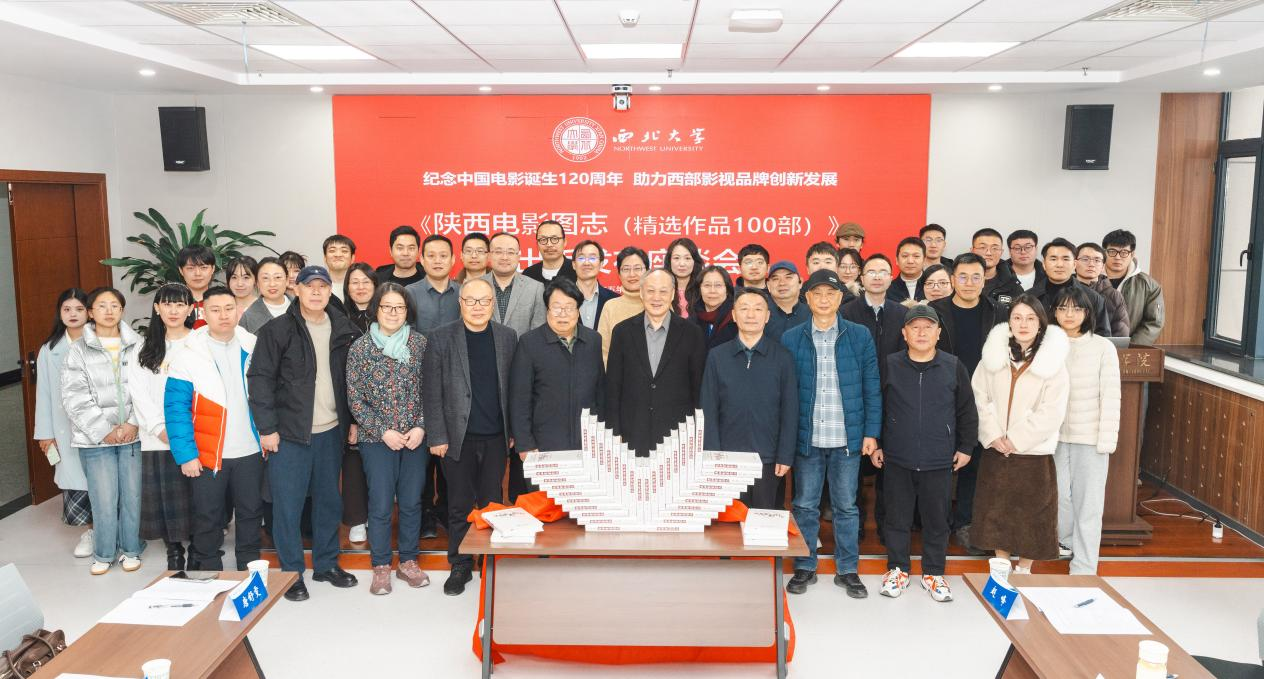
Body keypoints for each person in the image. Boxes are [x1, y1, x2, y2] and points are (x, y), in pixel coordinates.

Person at [248, 265, 360, 601]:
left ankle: (326, 564)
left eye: (322, 286)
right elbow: (260, 380)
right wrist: (267, 428)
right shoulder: (277, 330)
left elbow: (353, 381)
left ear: (330, 291)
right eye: (309, 286)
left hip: (331, 432)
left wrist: (353, 420)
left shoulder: (344, 329)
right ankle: (291, 573)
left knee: (328, 503)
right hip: (289, 435)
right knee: (288, 506)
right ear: (296, 289)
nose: (316, 292)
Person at [781, 270, 880, 599]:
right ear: (807, 298)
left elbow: (872, 387)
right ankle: (805, 565)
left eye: (830, 294)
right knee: (805, 505)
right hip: (808, 438)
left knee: (846, 507)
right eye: (817, 294)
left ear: (840, 298)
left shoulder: (859, 335)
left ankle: (848, 569)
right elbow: (785, 392)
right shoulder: (792, 337)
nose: (824, 300)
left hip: (847, 438)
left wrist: (871, 433)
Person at [873, 305, 977, 603]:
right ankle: (897, 569)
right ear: (904, 333)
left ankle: (933, 572)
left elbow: (967, 410)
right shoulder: (890, 364)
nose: (921, 333)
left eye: (928, 327)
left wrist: (966, 446)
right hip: (897, 457)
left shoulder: (953, 365)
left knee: (937, 520)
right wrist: (877, 442)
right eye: (915, 327)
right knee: (897, 518)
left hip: (939, 459)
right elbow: (877, 406)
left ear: (938, 333)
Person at [422, 278, 518, 596]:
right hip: (456, 438)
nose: (478, 307)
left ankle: (490, 561)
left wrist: (513, 432)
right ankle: (460, 564)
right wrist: (437, 435)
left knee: (492, 503)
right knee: (459, 505)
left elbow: (514, 388)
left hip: (496, 437)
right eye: (471, 301)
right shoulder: (440, 337)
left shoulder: (507, 337)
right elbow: (431, 391)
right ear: (460, 303)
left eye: (484, 301)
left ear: (493, 304)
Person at [164, 287, 263, 572]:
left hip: (250, 450)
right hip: (208, 453)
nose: (223, 315)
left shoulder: (254, 345)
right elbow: (176, 409)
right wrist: (186, 455)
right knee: (208, 516)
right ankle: (209, 571)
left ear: (239, 311)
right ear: (203, 313)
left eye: (229, 308)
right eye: (215, 310)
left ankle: (249, 568)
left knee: (250, 513)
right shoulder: (188, 354)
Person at [970, 294, 1070, 575]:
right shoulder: (992, 358)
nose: (1023, 324)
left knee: (1032, 515)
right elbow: (978, 398)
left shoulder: (1053, 363)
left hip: (1032, 452)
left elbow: (1052, 412)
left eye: (1030, 318)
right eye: (1017, 318)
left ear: (1041, 324)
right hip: (996, 448)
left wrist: (1016, 439)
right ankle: (1001, 566)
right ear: (1009, 322)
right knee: (996, 511)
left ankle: (1024, 569)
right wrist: (993, 435)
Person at [346, 283, 430, 594]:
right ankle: (381, 565)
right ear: (376, 310)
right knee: (380, 504)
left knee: (411, 502)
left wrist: (420, 426)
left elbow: (432, 389)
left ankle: (408, 561)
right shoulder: (361, 348)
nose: (393, 313)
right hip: (376, 439)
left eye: (399, 307)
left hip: (414, 439)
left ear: (408, 312)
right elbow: (355, 398)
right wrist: (383, 431)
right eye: (387, 307)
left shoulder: (420, 344)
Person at [61, 287, 143, 576]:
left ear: (122, 311)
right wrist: (103, 430)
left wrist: (133, 422)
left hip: (133, 435)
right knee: (103, 498)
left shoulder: (138, 344)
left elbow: (146, 388)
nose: (109, 311)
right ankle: (104, 553)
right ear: (91, 312)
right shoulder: (77, 350)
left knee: (132, 496)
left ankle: (131, 549)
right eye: (101, 306)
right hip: (95, 439)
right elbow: (74, 397)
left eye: (115, 306)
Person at [929, 253, 1007, 554]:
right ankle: (936, 523)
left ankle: (966, 523)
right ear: (952, 279)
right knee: (940, 463)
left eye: (976, 276)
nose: (970, 283)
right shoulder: (935, 311)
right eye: (963, 276)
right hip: (942, 395)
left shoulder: (998, 312)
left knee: (975, 464)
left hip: (985, 398)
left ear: (984, 279)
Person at [700, 287, 797, 509]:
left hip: (768, 458)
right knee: (729, 522)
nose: (751, 315)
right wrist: (712, 455)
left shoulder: (782, 357)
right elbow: (708, 408)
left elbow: (790, 410)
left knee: (763, 519)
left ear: (767, 316)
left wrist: (785, 455)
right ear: (734, 315)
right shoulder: (717, 356)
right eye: (744, 309)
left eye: (758, 309)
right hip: (727, 458)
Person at [1052, 286, 1121, 575]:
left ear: (1087, 313)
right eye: (1063, 308)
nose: (1069, 314)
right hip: (1053, 438)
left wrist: (1106, 440)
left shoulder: (1103, 347)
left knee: (1089, 503)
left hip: (1090, 438)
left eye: (1076, 309)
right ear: (1054, 312)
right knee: (1058, 498)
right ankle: (1066, 543)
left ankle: (1084, 566)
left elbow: (1111, 396)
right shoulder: (1047, 345)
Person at [128, 283, 195, 571]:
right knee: (168, 498)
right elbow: (138, 393)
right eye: (167, 304)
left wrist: (184, 432)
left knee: (196, 496)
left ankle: (200, 546)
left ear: (190, 309)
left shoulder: (200, 342)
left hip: (193, 434)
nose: (173, 310)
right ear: (157, 308)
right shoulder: (144, 348)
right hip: (158, 438)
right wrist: (159, 428)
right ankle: (174, 550)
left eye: (180, 304)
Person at [509, 278, 604, 479]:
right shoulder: (529, 343)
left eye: (569, 307)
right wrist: (525, 444)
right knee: (545, 499)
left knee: (583, 497)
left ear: (578, 310)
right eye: (557, 307)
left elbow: (601, 392)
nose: (563, 314)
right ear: (547, 309)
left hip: (587, 445)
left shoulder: (593, 340)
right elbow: (519, 399)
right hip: (543, 446)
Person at [605, 269, 706, 456]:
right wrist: (614, 432)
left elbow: (698, 389)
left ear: (673, 294)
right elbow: (613, 387)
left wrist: (696, 435)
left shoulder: (692, 334)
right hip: (632, 434)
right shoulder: (622, 332)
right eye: (650, 291)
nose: (656, 297)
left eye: (663, 291)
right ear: (641, 293)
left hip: (677, 436)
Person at [34, 288, 94, 558]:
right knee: (77, 480)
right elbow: (44, 394)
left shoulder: (101, 341)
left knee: (104, 481)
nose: (73, 314)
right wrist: (45, 433)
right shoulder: (50, 350)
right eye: (67, 309)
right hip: (65, 427)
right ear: (59, 314)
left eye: (79, 309)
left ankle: (113, 532)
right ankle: (91, 532)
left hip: (99, 426)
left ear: (88, 313)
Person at [842, 254, 907, 381]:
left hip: (893, 383)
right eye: (871, 272)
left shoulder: (902, 313)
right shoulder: (845, 313)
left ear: (891, 278)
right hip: (856, 382)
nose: (877, 277)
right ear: (862, 279)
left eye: (883, 272)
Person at [1030, 238, 1112, 337]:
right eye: (1053, 259)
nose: (1059, 265)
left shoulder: (1092, 298)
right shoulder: (1030, 297)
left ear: (1074, 264)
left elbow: (1103, 336)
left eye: (1066, 259)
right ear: (1044, 264)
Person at [1103, 229, 1165, 345]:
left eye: (1124, 252)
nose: (1118, 257)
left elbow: (1153, 323)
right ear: (1104, 252)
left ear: (1132, 255)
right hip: (1093, 348)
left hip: (1129, 348)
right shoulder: (1091, 279)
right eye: (1112, 251)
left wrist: (1131, 348)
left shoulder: (1149, 285)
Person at [484, 232, 547, 337]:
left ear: (518, 257)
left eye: (510, 252)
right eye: (498, 252)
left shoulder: (535, 288)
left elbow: (539, 331)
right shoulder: (474, 286)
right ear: (489, 256)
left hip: (523, 347)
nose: (504, 257)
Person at [597, 246, 648, 364]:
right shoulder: (610, 307)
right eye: (626, 269)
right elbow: (603, 352)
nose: (632, 274)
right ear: (619, 275)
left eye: (637, 268)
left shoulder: (658, 304)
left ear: (647, 272)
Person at [406, 234, 461, 336]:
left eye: (443, 256)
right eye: (431, 256)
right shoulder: (409, 293)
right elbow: (406, 332)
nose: (437, 261)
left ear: (453, 259)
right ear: (422, 260)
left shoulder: (463, 292)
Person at [1075, 243, 1131, 337]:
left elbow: (1121, 334)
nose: (1091, 264)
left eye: (1097, 260)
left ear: (1102, 266)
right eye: (1085, 259)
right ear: (1074, 263)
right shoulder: (1064, 291)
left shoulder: (1113, 295)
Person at [573, 239, 618, 330]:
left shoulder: (614, 300)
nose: (586, 263)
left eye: (592, 258)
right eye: (581, 258)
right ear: (574, 264)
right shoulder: (563, 297)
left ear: (601, 264)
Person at [239, 257, 291, 334]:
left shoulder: (301, 306)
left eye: (277, 277)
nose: (272, 284)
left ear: (287, 280)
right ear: (257, 283)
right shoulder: (248, 318)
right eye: (265, 278)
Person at [692, 265, 738, 353]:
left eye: (718, 285)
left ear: (727, 290)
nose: (712, 291)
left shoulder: (737, 319)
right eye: (707, 285)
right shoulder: (691, 322)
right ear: (699, 290)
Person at [973, 228, 1022, 307]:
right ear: (972, 250)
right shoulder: (960, 281)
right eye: (982, 247)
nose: (988, 253)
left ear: (1001, 252)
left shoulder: (1012, 284)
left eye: (995, 248)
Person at [767, 260, 810, 340]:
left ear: (800, 282)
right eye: (776, 279)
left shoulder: (813, 315)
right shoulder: (760, 315)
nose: (782, 283)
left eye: (788, 277)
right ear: (768, 286)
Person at [177, 245, 215, 328]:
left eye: (203, 267)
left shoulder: (222, 301)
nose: (197, 273)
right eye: (190, 268)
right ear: (181, 270)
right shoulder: (172, 303)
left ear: (213, 269)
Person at [666, 237, 703, 319]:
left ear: (695, 261)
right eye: (676, 258)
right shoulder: (661, 290)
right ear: (669, 261)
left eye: (687, 258)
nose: (682, 264)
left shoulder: (703, 289)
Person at [886, 237, 926, 303]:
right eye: (905, 256)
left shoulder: (934, 286)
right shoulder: (887, 289)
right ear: (897, 260)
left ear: (924, 260)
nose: (910, 261)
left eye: (916, 256)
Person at [342, 263, 378, 333]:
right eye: (355, 282)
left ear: (375, 286)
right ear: (347, 288)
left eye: (366, 282)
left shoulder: (387, 316)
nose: (361, 287)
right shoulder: (339, 318)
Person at [225, 256, 258, 324]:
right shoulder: (221, 307)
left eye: (246, 277)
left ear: (256, 280)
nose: (240, 284)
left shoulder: (264, 307)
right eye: (234, 277)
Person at [323, 234, 357, 302]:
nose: (338, 255)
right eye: (332, 251)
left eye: (344, 251)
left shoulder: (362, 288)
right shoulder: (316, 288)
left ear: (352, 258)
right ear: (325, 258)